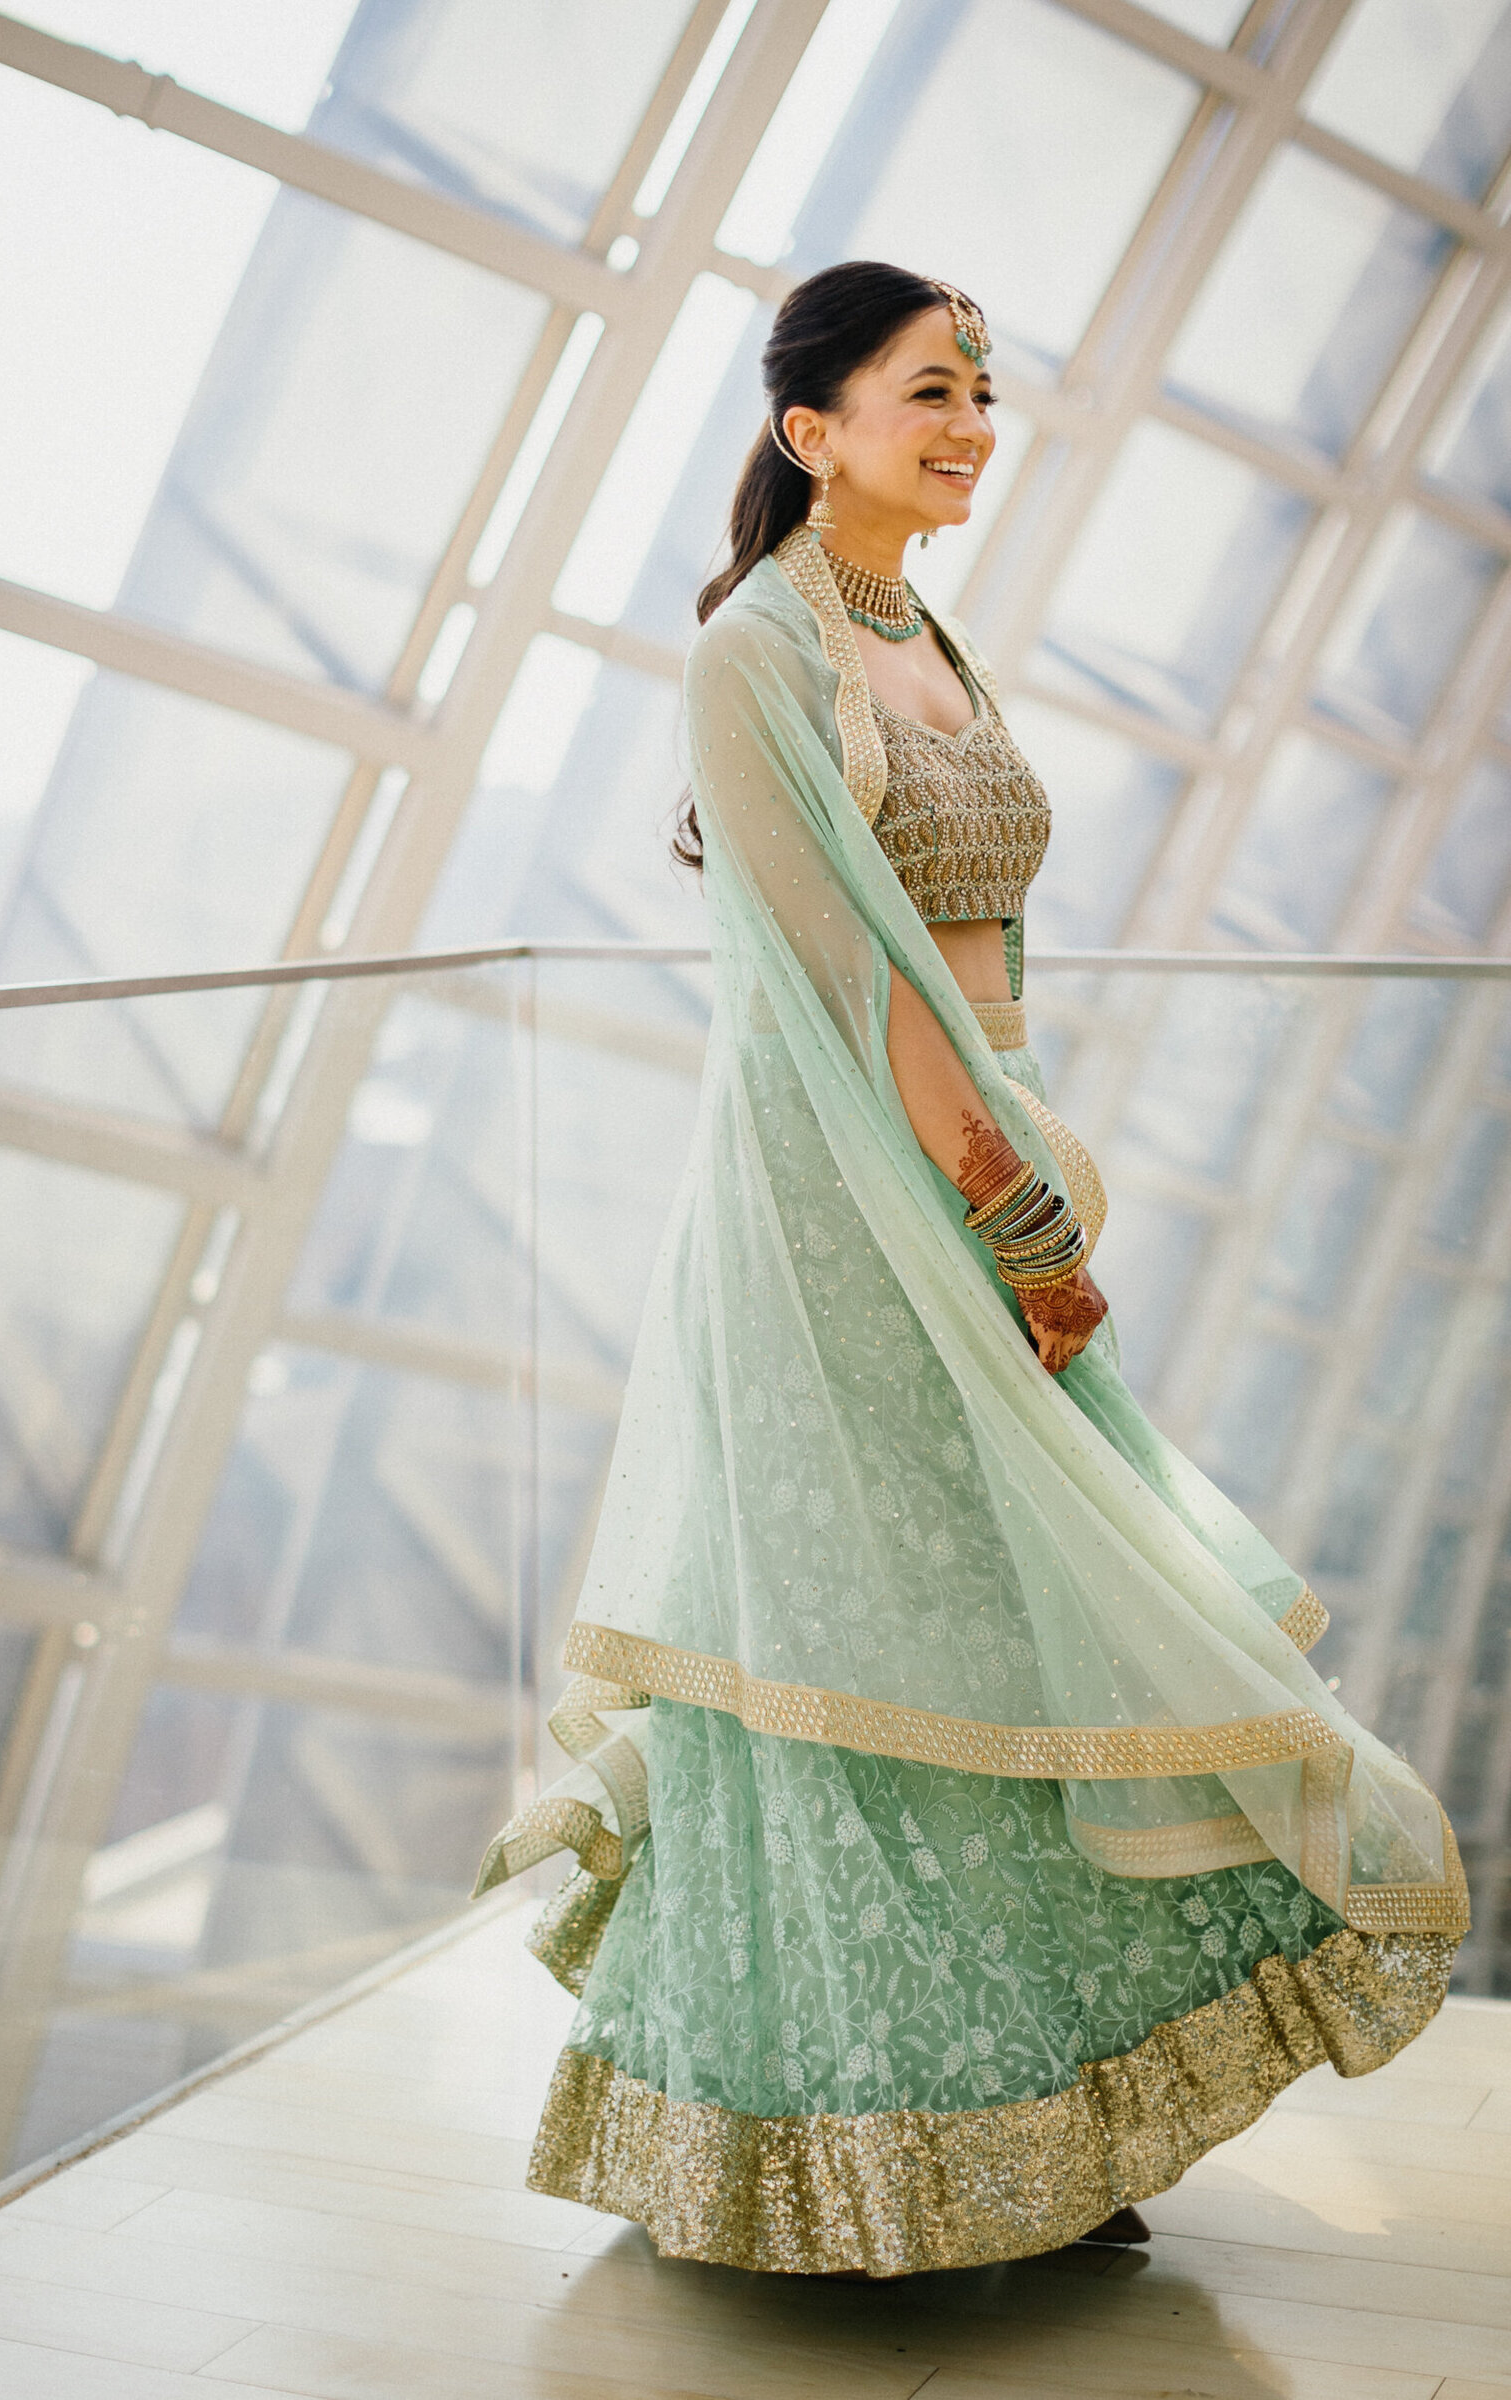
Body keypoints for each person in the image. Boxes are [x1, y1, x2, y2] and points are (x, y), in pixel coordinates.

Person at [476, 261, 1467, 2277]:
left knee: (1006, 1630)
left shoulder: (917, 629)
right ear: (804, 428)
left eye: (978, 395)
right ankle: (830, 2151)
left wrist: (1031, 1175)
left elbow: (972, 964)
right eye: (924, 392)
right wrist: (1011, 1226)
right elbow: (849, 982)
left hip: (973, 1158)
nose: (964, 428)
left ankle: (1021, 2118)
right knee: (861, 1642)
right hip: (842, 1206)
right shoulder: (751, 653)